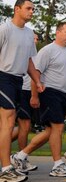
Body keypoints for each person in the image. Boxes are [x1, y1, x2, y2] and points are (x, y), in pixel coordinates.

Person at [13, 22, 66, 177]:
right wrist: (34, 95)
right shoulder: (47, 51)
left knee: (51, 131)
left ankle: (20, 156)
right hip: (49, 92)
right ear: (57, 32)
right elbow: (35, 74)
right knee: (57, 128)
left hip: (64, 94)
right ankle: (57, 165)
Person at [0, 0, 41, 182]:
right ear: (17, 9)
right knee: (8, 122)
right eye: (28, 8)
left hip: (17, 79)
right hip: (3, 76)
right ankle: (6, 169)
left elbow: (29, 61)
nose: (32, 11)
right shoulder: (4, 29)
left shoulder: (29, 33)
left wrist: (37, 81)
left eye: (33, 9)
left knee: (9, 123)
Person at [11, 32, 40, 160]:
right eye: (32, 38)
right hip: (22, 90)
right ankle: (21, 158)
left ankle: (17, 155)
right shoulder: (21, 54)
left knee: (25, 127)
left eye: (36, 39)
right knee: (24, 124)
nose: (34, 40)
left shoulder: (38, 56)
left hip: (32, 92)